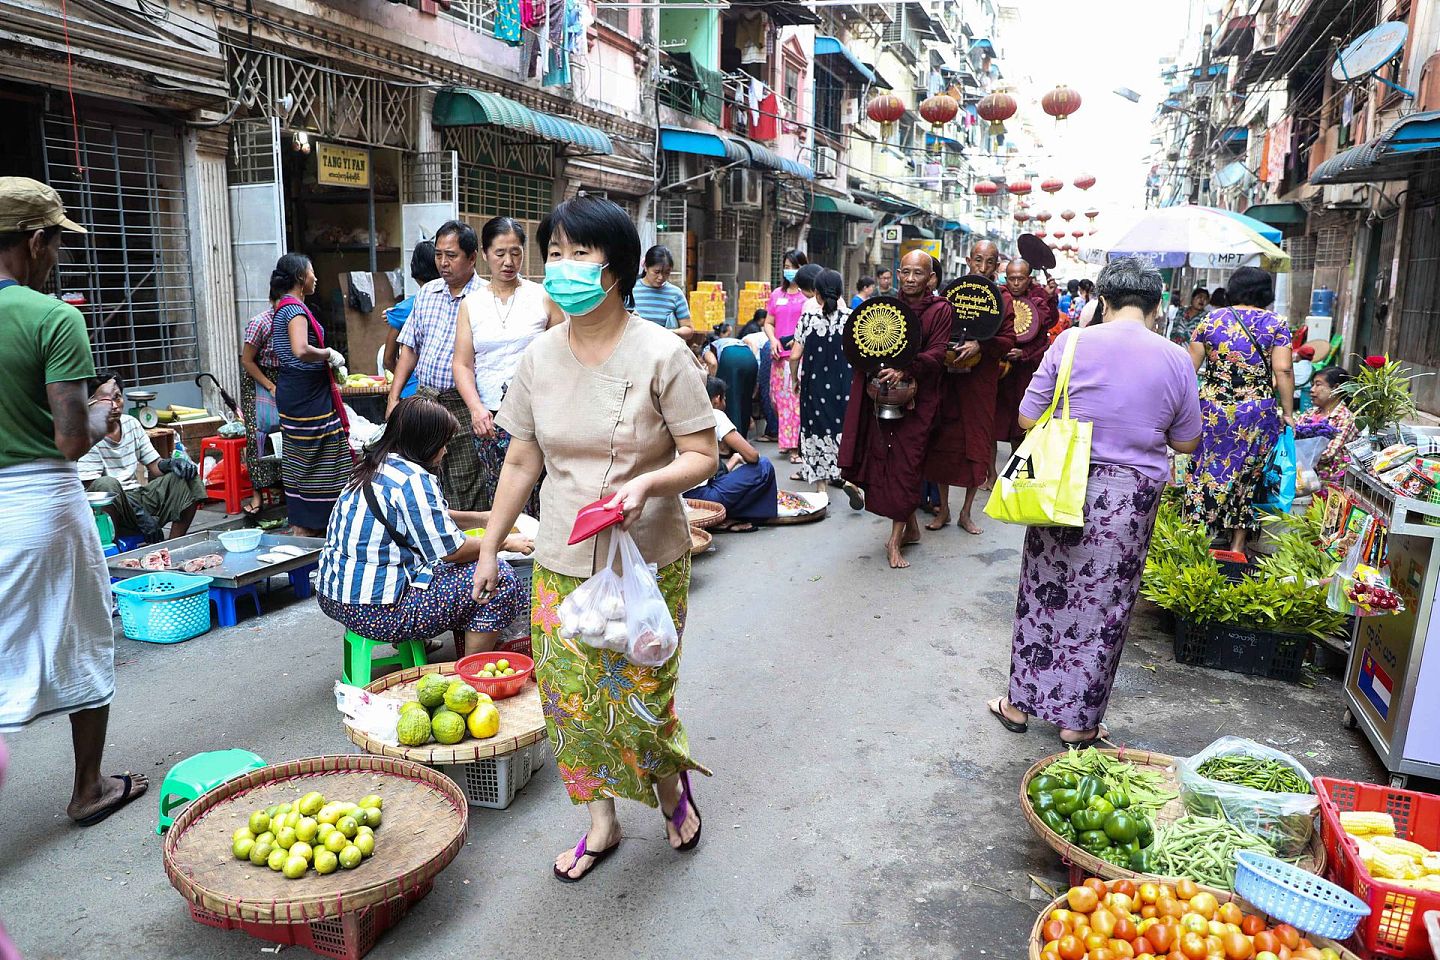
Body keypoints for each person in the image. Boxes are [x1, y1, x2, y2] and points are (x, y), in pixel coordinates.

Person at [473, 195, 716, 881]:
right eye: (554, 253)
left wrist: (649, 485)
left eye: (579, 253)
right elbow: (522, 459)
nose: (561, 266)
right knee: (571, 700)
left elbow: (703, 455)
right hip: (562, 558)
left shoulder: (662, 353)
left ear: (616, 269)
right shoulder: (539, 357)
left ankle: (670, 787)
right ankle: (601, 822)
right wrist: (490, 546)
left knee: (641, 693)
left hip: (647, 559)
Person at [989, 257, 1201, 747]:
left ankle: (1019, 706)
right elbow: (1187, 442)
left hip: (1060, 483)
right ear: (1157, 305)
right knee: (1106, 602)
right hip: (1129, 498)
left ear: (1103, 301)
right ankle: (1078, 723)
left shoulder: (1071, 342)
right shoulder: (1175, 358)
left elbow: (1025, 418)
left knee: (1044, 590)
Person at [0, 175, 149, 824]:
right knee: (86, 634)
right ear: (33, 242)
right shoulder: (53, 318)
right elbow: (69, 440)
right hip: (42, 504)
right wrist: (101, 409)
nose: (59, 255)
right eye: (56, 242)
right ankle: (87, 789)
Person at [317, 396, 530, 659]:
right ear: (425, 444)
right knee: (499, 580)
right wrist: (504, 543)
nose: (445, 451)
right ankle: (472, 670)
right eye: (442, 445)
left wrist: (482, 519)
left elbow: (426, 517)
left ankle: (416, 641)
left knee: (432, 566)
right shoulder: (413, 479)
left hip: (334, 596)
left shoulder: (376, 464)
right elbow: (452, 551)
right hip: (374, 611)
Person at [840, 250, 953, 569]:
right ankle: (909, 528)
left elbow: (938, 352)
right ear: (898, 274)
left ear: (931, 277)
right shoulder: (887, 306)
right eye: (905, 272)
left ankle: (894, 540)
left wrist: (906, 369)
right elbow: (864, 343)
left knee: (907, 464)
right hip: (882, 397)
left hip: (919, 400)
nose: (911, 279)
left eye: (918, 273)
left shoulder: (940, 309)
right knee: (884, 460)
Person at [453, 217, 562, 516]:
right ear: (485, 254)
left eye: (515, 252)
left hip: (538, 415)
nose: (508, 261)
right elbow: (462, 364)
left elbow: (565, 354)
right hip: (490, 418)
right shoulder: (471, 304)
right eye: (500, 253)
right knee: (501, 493)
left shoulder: (543, 296)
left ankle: (543, 556)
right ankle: (506, 556)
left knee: (543, 493)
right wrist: (476, 408)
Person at [1184, 266, 1294, 553]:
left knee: (1205, 471)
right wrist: (1289, 412)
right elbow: (1283, 370)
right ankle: (1236, 547)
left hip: (1212, 409)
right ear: (1265, 292)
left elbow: (1188, 369)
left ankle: (1198, 539)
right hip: (1256, 412)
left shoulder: (1210, 320)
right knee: (1248, 475)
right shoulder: (1276, 324)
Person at [389, 220, 485, 511]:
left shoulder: (485, 297)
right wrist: (394, 398)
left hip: (463, 403)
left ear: (472, 257)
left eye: (451, 255)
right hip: (426, 400)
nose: (443, 263)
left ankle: (466, 547)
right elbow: (409, 350)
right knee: (424, 479)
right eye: (439, 254)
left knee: (466, 478)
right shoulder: (427, 293)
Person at [924, 240, 1013, 536]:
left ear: (997, 265)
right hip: (950, 381)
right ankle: (945, 509)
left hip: (980, 383)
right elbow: (936, 329)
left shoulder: (1002, 298)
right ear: (968, 260)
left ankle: (966, 512)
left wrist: (981, 344)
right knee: (943, 445)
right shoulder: (952, 293)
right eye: (978, 260)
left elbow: (1008, 339)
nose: (983, 268)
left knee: (976, 444)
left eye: (990, 262)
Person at [270, 252, 352, 537]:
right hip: (306, 396)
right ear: (300, 277)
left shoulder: (285, 307)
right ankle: (321, 523)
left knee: (301, 459)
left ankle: (303, 524)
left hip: (297, 392)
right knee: (327, 454)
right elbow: (301, 349)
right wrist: (328, 354)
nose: (315, 277)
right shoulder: (293, 310)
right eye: (312, 271)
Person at [80, 372, 206, 541]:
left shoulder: (131, 423)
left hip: (137, 495)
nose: (114, 405)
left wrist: (172, 464)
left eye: (117, 397)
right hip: (112, 507)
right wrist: (141, 515)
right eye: (106, 400)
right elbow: (94, 489)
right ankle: (116, 548)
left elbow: (154, 465)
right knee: (106, 484)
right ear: (91, 403)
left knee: (188, 475)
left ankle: (173, 545)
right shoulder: (87, 433)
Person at [792, 268, 862, 506]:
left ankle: (822, 490)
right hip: (845, 388)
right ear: (841, 292)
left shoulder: (808, 319)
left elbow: (794, 355)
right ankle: (849, 480)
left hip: (815, 388)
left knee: (817, 431)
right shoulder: (852, 319)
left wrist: (794, 379)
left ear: (817, 296)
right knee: (845, 429)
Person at [989, 258, 1056, 487]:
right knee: (992, 424)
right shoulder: (998, 298)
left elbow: (1043, 340)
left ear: (1029, 279)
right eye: (1011, 278)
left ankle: (1011, 470)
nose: (1015, 283)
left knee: (1021, 427)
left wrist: (1025, 353)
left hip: (1025, 373)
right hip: (999, 372)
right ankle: (990, 474)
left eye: (1020, 278)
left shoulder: (1038, 300)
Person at [685, 377, 778, 532]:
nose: (725, 403)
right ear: (716, 399)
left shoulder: (682, 414)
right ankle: (736, 516)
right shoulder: (714, 414)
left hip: (680, 497)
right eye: (725, 398)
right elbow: (752, 456)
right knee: (764, 466)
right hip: (701, 498)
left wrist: (734, 460)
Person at [383, 240, 440, 402]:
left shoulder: (405, 308)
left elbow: (388, 359)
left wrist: (408, 380)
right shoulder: (459, 302)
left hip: (411, 394)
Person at [765, 249, 808, 464]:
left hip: (798, 357)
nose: (790, 271)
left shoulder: (807, 297)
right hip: (778, 356)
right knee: (778, 400)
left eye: (794, 266)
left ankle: (794, 447)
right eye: (787, 266)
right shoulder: (776, 295)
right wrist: (772, 339)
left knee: (794, 400)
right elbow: (768, 322)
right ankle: (787, 440)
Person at [240, 303, 283, 514]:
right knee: (257, 435)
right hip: (257, 380)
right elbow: (247, 360)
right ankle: (257, 496)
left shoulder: (294, 321)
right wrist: (269, 385)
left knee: (284, 435)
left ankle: (284, 491)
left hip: (282, 378)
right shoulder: (260, 323)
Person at [1298, 366, 1357, 485]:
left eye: (1318, 384)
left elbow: (1328, 454)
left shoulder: (1345, 418)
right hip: (1301, 479)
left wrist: (1296, 452)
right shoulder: (1310, 413)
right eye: (1313, 384)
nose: (1312, 389)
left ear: (1336, 388)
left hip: (1326, 485)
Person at [704, 321, 758, 439]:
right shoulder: (733, 340)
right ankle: (743, 437)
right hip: (751, 359)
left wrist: (714, 384)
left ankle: (733, 444)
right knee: (745, 399)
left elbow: (712, 363)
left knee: (731, 400)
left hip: (731, 359)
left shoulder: (708, 347)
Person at [632, 245, 694, 339]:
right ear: (645, 267)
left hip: (664, 348)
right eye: (656, 272)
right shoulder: (631, 289)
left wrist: (671, 332)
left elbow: (688, 329)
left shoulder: (675, 294)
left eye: (666, 272)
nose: (661, 277)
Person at [740, 310, 776, 440]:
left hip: (768, 352)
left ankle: (773, 431)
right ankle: (774, 429)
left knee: (766, 392)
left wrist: (757, 383)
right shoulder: (753, 332)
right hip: (773, 349)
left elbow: (755, 356)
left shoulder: (746, 340)